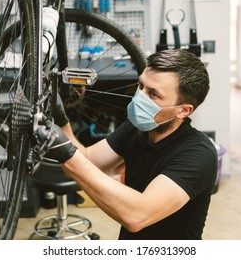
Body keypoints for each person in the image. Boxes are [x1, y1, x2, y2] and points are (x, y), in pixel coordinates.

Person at [36, 49, 218, 240]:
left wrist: (67, 154)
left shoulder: (199, 154)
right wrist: (61, 119)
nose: (140, 97)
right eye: (141, 86)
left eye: (153, 94)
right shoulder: (136, 129)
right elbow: (88, 160)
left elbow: (136, 216)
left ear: (183, 111)